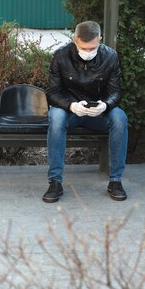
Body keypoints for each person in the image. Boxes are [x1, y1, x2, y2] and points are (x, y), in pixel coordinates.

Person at [43, 20, 128, 203]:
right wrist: (71, 106)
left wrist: (105, 105)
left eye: (93, 48)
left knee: (119, 117)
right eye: (84, 48)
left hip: (99, 113)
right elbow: (52, 93)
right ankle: (55, 182)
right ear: (75, 40)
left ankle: (116, 180)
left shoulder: (110, 56)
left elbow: (115, 92)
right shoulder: (61, 56)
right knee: (55, 117)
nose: (88, 52)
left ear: (100, 39)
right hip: (70, 112)